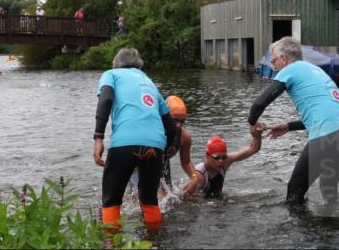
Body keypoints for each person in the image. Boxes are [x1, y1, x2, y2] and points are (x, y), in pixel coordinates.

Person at [248, 36, 339, 205]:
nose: (273, 65)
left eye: (274, 60)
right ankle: (334, 227)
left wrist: (252, 124)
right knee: (328, 186)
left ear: (284, 59)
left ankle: (297, 231)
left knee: (295, 191)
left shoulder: (290, 69)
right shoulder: (315, 70)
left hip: (326, 135)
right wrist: (288, 126)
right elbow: (326, 114)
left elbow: (259, 103)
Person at [92, 48, 177, 230]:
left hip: (124, 142)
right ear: (139, 65)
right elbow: (170, 126)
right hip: (155, 145)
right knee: (149, 201)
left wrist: (98, 137)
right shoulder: (149, 81)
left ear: (116, 63)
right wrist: (166, 150)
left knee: (112, 200)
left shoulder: (111, 74)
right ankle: (154, 244)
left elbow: (106, 99)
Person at [181, 133, 262, 199]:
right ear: (207, 156)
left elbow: (254, 148)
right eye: (216, 157)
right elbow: (184, 197)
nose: (221, 161)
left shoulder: (226, 161)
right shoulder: (199, 175)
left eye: (224, 157)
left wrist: (257, 135)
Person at [161, 95, 198, 194]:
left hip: (163, 164)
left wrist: (194, 178)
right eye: (175, 120)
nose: (179, 125)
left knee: (168, 198)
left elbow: (186, 162)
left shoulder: (184, 137)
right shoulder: (154, 132)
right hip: (141, 165)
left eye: (182, 121)